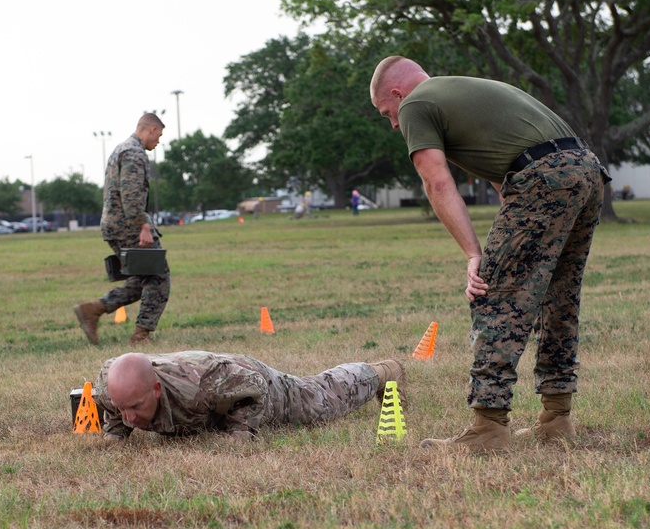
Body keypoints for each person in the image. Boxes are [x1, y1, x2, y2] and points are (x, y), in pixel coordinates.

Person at [369, 56, 609, 451]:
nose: (394, 123)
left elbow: (437, 183)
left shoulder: (415, 104)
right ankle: (556, 419)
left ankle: (488, 428)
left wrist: (473, 255)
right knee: (558, 299)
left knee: (493, 296)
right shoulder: (464, 89)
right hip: (586, 170)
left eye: (386, 113)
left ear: (397, 93)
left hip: (544, 177)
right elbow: (507, 180)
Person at [92, 351, 406, 441]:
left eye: (136, 407)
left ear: (156, 389)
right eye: (123, 409)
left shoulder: (205, 383)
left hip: (252, 380)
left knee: (321, 402)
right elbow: (113, 408)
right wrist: (116, 432)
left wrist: (240, 432)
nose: (130, 416)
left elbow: (252, 388)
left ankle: (382, 371)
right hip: (212, 400)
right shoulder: (110, 389)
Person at [73, 113, 170, 345]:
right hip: (129, 226)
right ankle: (140, 335)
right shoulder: (134, 153)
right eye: (159, 136)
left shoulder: (121, 149)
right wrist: (144, 226)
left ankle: (93, 310)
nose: (158, 142)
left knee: (144, 279)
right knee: (159, 277)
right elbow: (131, 195)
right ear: (151, 130)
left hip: (115, 225)